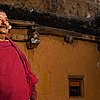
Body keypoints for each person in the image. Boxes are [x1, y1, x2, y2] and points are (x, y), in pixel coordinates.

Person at [0, 10, 38, 100]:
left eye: (6, 20)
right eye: (0, 19)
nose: (4, 23)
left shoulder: (13, 47)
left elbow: (27, 73)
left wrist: (31, 96)